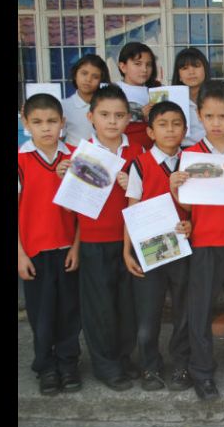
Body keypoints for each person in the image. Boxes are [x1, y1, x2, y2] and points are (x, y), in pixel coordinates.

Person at [168, 80, 224, 400]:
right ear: (200, 117)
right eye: (210, 116)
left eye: (223, 116)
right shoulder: (191, 154)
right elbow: (189, 206)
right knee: (200, 309)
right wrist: (176, 186)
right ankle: (202, 370)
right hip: (204, 243)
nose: (217, 123)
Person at [55, 85, 145, 391]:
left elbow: (149, 196)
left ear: (128, 119)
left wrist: (132, 184)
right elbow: (69, 207)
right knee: (100, 307)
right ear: (91, 117)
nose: (112, 122)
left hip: (128, 241)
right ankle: (106, 365)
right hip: (94, 241)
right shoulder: (80, 153)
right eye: (105, 115)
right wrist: (63, 179)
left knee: (126, 304)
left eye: (119, 116)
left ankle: (123, 356)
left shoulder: (137, 152)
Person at [122, 101, 194, 393]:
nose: (170, 130)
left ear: (185, 130)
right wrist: (126, 251)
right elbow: (131, 208)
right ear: (150, 131)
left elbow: (198, 208)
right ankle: (149, 365)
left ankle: (181, 364)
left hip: (184, 249)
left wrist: (192, 225)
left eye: (176, 124)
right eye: (163, 124)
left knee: (184, 310)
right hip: (148, 250)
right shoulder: (139, 164)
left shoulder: (192, 161)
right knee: (148, 314)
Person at [18, 94, 82, 396]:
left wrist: (77, 246)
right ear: (25, 123)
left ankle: (69, 363)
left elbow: (87, 209)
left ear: (63, 123)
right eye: (38, 122)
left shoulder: (75, 157)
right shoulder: (20, 161)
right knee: (41, 313)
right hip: (34, 252)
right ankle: (45, 366)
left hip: (67, 248)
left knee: (69, 311)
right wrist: (20, 255)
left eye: (52, 121)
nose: (46, 128)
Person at [115, 42, 161, 150]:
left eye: (148, 65)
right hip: (124, 150)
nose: (144, 69)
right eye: (138, 64)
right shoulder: (112, 91)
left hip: (154, 150)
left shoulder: (158, 90)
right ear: (123, 67)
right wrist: (141, 115)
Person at [62, 54, 111, 146]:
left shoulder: (108, 105)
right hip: (74, 157)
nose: (88, 79)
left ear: (101, 80)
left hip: (105, 156)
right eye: (84, 73)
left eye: (95, 76)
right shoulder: (64, 106)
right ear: (75, 74)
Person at [171, 47, 211, 148]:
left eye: (196, 66)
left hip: (213, 150)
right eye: (185, 68)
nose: (191, 72)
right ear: (179, 75)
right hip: (180, 151)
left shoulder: (217, 97)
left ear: (205, 69)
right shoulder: (170, 100)